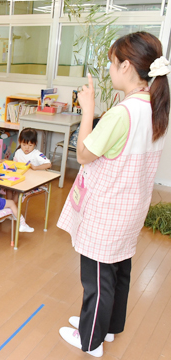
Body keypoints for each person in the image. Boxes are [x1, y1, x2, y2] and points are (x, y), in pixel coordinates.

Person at [57, 32, 170, 358]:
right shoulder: (156, 105)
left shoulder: (123, 113)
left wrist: (87, 109)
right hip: (132, 207)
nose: (109, 68)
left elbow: (83, 154)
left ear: (127, 65)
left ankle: (89, 340)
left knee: (96, 278)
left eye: (112, 62)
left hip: (107, 209)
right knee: (120, 270)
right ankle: (107, 327)